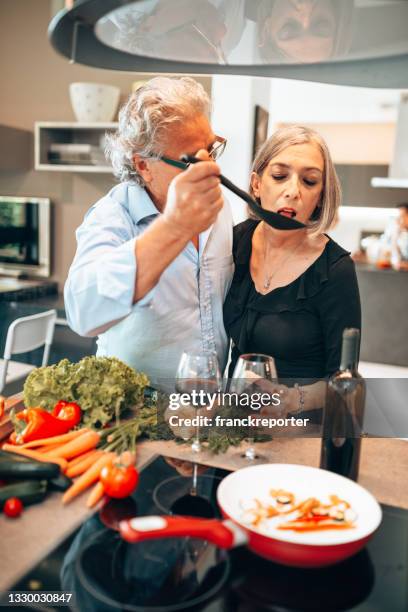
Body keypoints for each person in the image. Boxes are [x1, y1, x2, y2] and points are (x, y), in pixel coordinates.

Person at [64, 77, 233, 389]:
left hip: (206, 409)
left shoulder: (219, 210)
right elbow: (82, 312)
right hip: (134, 415)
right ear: (143, 165)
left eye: (211, 149)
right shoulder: (112, 216)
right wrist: (175, 227)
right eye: (191, 159)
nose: (211, 168)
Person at [223, 124, 361, 415]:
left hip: (301, 427)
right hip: (238, 419)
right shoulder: (232, 243)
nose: (293, 191)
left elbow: (345, 379)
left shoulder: (335, 270)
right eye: (279, 176)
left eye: (309, 181)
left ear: (321, 196)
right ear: (256, 184)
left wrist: (292, 400)